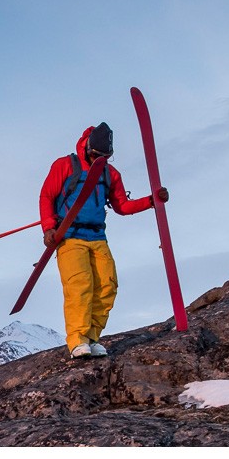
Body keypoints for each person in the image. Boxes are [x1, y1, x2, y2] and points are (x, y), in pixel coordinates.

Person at [39, 122, 167, 358]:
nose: (101, 160)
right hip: (69, 236)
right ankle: (77, 340)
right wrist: (48, 228)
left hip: (98, 235)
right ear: (88, 148)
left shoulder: (110, 174)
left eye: (105, 157)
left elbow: (122, 206)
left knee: (108, 285)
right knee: (80, 285)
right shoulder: (65, 165)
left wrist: (151, 201)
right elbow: (47, 196)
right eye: (97, 156)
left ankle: (91, 337)